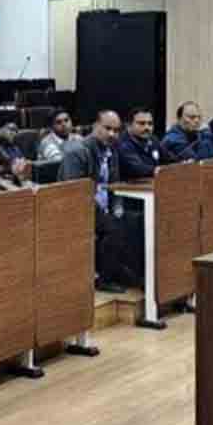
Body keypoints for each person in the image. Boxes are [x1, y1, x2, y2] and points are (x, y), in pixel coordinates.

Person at [59, 110, 133, 293]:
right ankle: (104, 279)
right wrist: (104, 213)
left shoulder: (112, 150)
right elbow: (73, 192)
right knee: (113, 228)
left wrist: (118, 209)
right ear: (95, 126)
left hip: (102, 205)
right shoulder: (78, 151)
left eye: (116, 130)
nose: (112, 134)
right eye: (107, 128)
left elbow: (114, 183)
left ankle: (119, 270)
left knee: (131, 220)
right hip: (79, 206)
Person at [117, 106, 176, 179]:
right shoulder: (122, 143)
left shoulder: (153, 139)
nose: (147, 127)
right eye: (141, 123)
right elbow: (138, 168)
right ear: (128, 125)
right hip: (130, 184)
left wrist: (181, 164)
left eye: (150, 124)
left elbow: (170, 159)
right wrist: (159, 170)